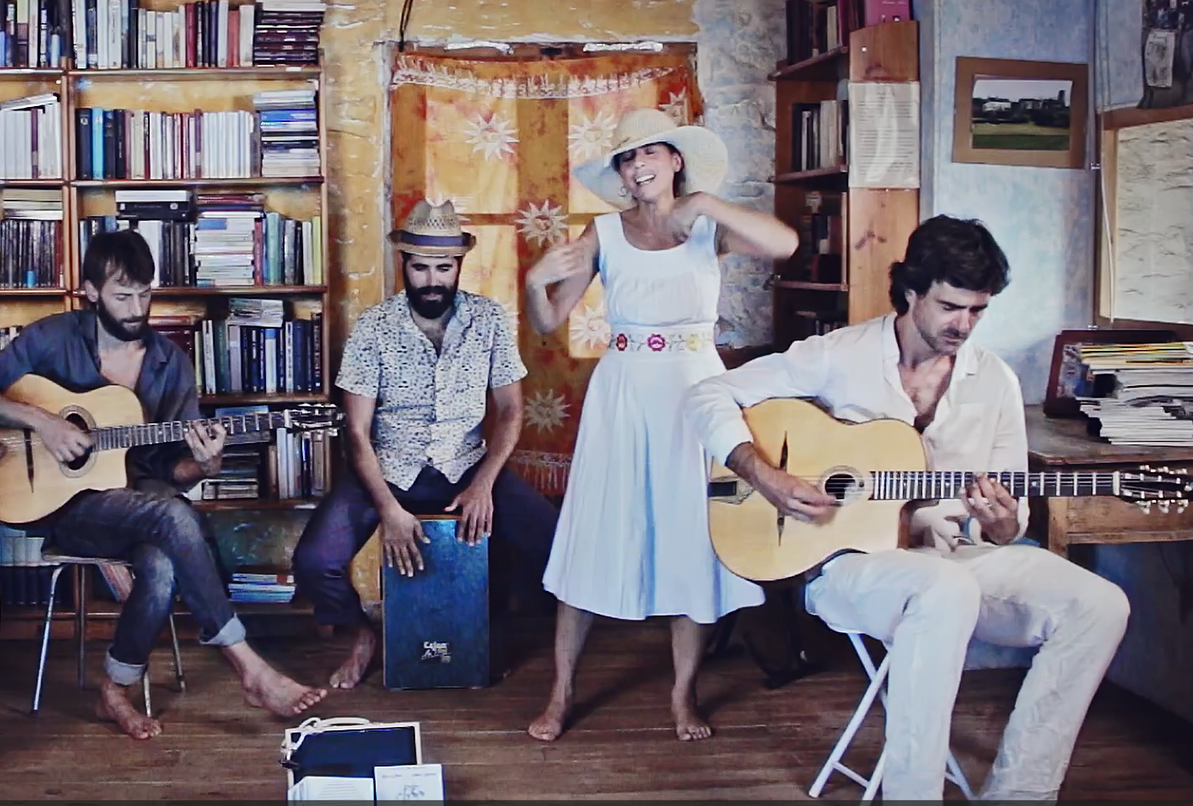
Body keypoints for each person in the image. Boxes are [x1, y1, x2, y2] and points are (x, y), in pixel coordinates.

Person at [680, 215, 1131, 799]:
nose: (963, 324)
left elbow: (1007, 519)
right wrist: (764, 475)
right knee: (943, 590)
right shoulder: (838, 355)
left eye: (978, 311)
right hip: (846, 566)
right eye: (950, 307)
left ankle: (1021, 793)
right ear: (912, 290)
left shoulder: (993, 380)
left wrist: (1002, 522)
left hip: (954, 556)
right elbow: (706, 394)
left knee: (1100, 604)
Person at [0, 229, 327, 739]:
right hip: (63, 509)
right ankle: (250, 668)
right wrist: (43, 422)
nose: (135, 309)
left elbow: (174, 472)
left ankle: (114, 691)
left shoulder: (171, 364)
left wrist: (207, 465)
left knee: (163, 563)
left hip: (140, 506)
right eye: (122, 295)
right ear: (91, 291)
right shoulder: (53, 338)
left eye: (144, 294)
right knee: (172, 516)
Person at [522, 108, 798, 743]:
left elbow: (784, 244)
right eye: (626, 158)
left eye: (649, 152)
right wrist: (536, 282)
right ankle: (561, 693)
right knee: (593, 531)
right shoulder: (602, 234)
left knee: (692, 533)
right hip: (622, 391)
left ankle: (683, 694)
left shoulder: (709, 228)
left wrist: (705, 203)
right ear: (620, 175)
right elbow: (548, 321)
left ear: (676, 160)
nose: (637, 165)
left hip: (696, 389)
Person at [291, 199, 558, 689]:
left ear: (459, 265)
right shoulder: (373, 327)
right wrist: (388, 510)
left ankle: (489, 627)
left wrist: (484, 484)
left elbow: (511, 410)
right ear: (403, 264)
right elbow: (356, 432)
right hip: (389, 468)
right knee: (314, 562)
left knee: (552, 541)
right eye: (420, 268)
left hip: (467, 466)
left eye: (444, 267)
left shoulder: (489, 320)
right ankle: (363, 636)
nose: (432, 280)